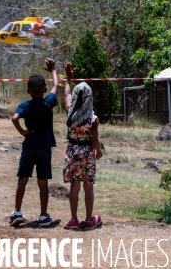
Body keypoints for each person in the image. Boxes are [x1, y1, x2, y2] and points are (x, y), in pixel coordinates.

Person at [10, 58, 59, 227]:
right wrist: (53, 71)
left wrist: (22, 131)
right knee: (43, 181)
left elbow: (14, 118)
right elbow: (56, 86)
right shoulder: (48, 103)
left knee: (22, 179)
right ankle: (44, 216)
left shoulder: (24, 105)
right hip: (44, 147)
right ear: (44, 90)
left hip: (29, 146)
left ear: (28, 90)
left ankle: (17, 212)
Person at [62, 62, 103, 230]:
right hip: (87, 153)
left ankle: (73, 219)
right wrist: (99, 152)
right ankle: (88, 219)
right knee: (88, 187)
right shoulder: (93, 119)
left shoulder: (70, 115)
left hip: (72, 151)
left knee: (74, 185)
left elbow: (66, 96)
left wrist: (69, 78)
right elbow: (94, 140)